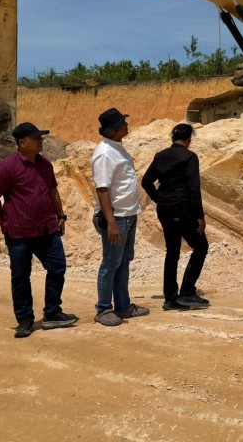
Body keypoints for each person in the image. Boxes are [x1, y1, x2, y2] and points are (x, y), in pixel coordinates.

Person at [0, 122, 78, 338]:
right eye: (36, 138)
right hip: (18, 233)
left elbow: (53, 191)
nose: (40, 141)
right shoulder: (6, 168)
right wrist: (3, 221)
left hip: (47, 228)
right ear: (22, 143)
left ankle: (53, 312)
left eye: (40, 137)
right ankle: (25, 319)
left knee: (57, 268)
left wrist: (61, 215)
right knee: (20, 276)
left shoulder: (45, 164)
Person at [141, 123, 210, 311]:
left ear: (173, 138)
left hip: (165, 209)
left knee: (172, 251)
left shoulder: (160, 155)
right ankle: (187, 293)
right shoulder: (189, 156)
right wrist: (200, 216)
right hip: (184, 208)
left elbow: (146, 181)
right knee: (201, 246)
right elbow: (193, 188)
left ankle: (171, 298)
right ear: (189, 139)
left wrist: (159, 199)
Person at [91, 108, 149, 326]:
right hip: (116, 218)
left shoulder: (117, 148)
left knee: (123, 262)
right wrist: (111, 221)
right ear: (113, 130)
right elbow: (102, 189)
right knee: (110, 263)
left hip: (129, 215)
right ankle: (103, 309)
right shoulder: (104, 153)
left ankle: (123, 306)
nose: (127, 125)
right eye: (123, 123)